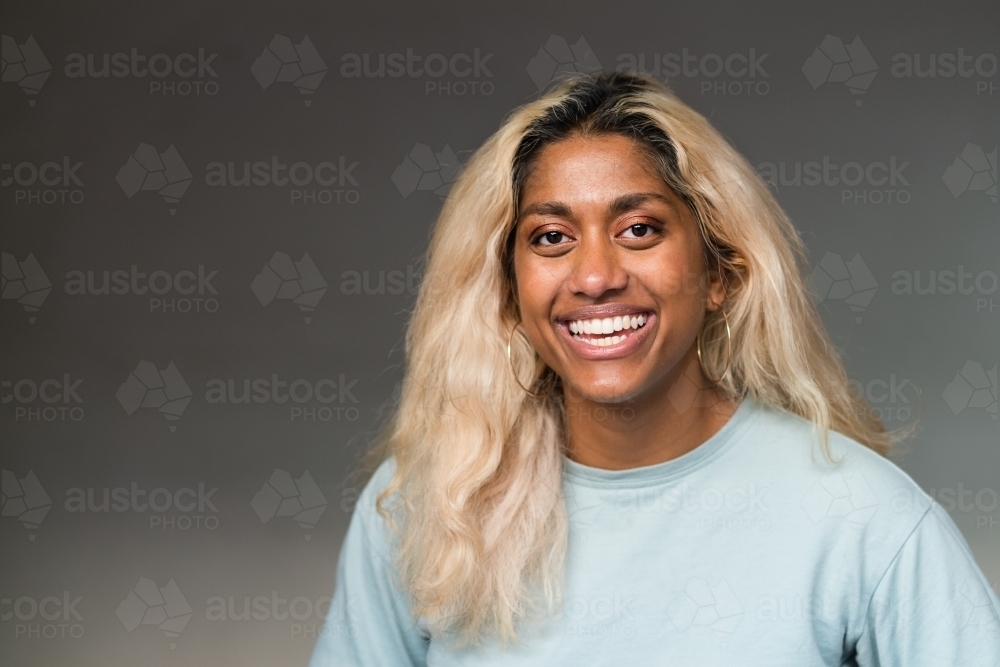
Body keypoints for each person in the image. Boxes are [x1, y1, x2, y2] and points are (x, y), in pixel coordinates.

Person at [309, 73, 1000, 666]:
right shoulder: (425, 506)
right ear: (508, 293)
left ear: (721, 271)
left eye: (638, 228)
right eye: (551, 237)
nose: (596, 275)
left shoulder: (863, 519)